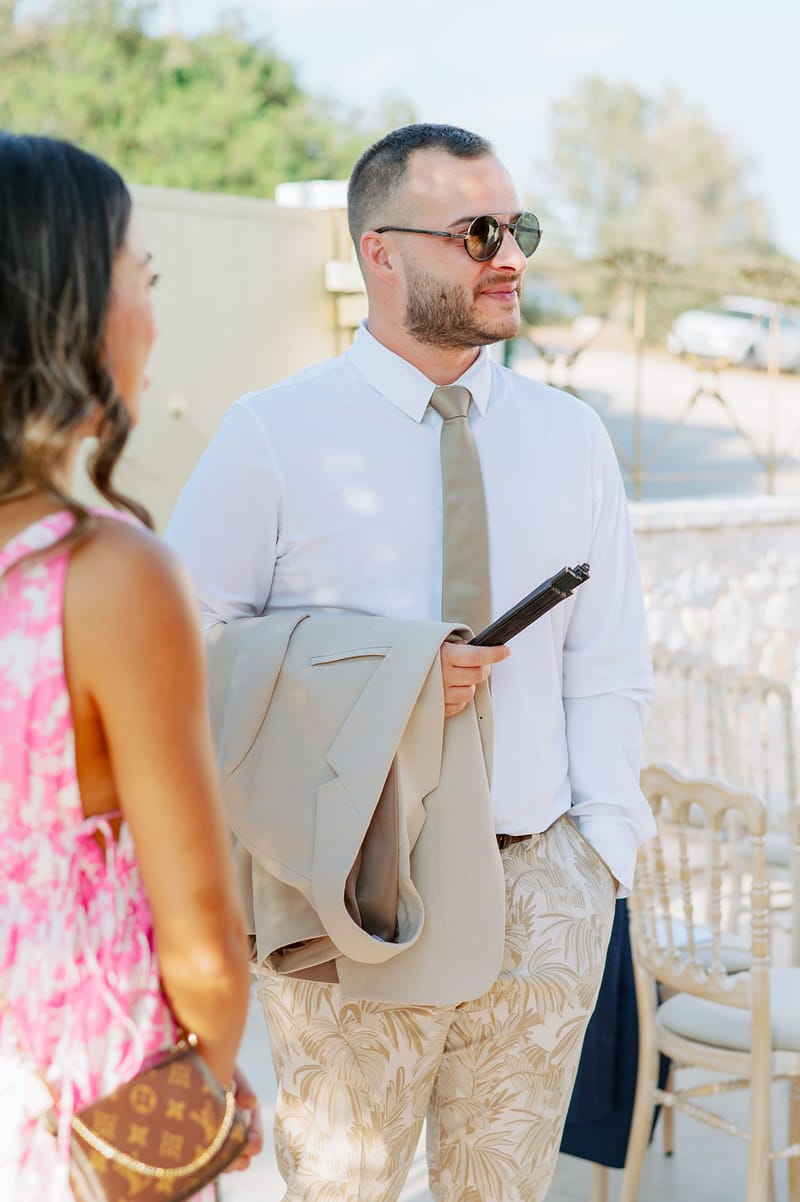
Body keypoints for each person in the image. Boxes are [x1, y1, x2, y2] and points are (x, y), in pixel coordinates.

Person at [166, 123, 655, 1202]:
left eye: (517, 227)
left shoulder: (571, 438)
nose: (510, 255)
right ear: (378, 251)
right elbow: (184, 659)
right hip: (355, 895)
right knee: (343, 1189)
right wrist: (383, 681)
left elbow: (608, 660)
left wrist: (597, 857)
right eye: (477, 231)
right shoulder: (272, 437)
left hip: (541, 884)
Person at [0, 133, 263, 1200]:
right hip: (89, 1113)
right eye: (141, 277)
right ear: (69, 309)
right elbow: (202, 940)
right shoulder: (110, 575)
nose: (154, 317)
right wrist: (201, 1090)